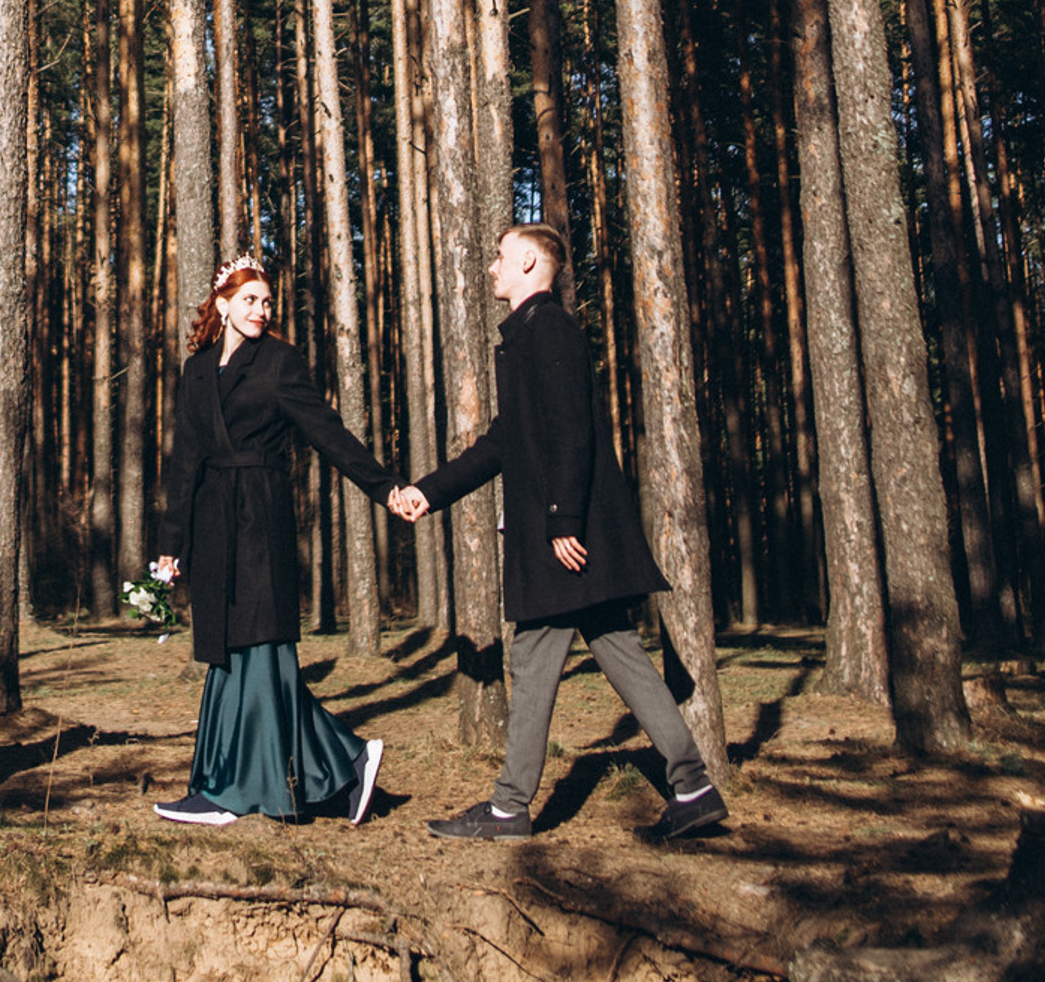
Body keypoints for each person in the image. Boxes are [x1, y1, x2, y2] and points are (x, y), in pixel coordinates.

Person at [390, 220, 728, 843]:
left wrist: (561, 519)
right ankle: (693, 787)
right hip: (567, 532)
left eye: (500, 256)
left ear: (528, 264)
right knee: (620, 652)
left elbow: (573, 429)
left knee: (534, 656)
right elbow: (503, 442)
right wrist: (428, 492)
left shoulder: (547, 329)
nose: (492, 267)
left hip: (564, 536)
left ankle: (509, 808)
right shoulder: (528, 334)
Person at [149, 254, 402, 828]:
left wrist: (384, 487)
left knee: (260, 649)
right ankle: (345, 762)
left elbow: (328, 433)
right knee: (229, 653)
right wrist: (171, 544)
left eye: (266, 302)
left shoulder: (279, 362)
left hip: (261, 520)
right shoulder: (196, 370)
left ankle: (230, 793)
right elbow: (185, 460)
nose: (261, 310)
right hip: (212, 525)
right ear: (222, 306)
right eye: (249, 300)